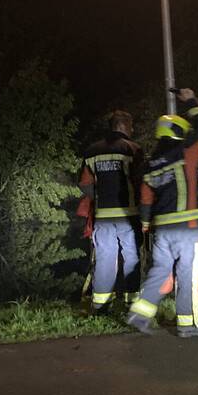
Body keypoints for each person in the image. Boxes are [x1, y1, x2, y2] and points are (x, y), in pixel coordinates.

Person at [127, 89, 198, 338]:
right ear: (179, 132)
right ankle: (188, 324)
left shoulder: (151, 163)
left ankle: (139, 314)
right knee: (187, 275)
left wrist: (145, 224)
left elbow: (145, 199)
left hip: (162, 230)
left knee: (159, 271)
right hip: (189, 228)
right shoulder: (186, 152)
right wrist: (193, 101)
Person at [78, 110, 143, 312]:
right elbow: (141, 181)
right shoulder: (133, 149)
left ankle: (100, 304)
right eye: (131, 126)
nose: (132, 130)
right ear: (124, 126)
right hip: (129, 214)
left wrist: (98, 196)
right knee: (132, 257)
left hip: (103, 216)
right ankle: (131, 301)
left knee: (105, 258)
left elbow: (84, 183)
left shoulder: (92, 151)